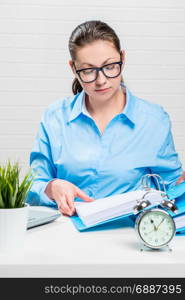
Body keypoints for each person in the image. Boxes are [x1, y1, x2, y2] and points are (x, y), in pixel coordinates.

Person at [26, 20, 185, 216]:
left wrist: (180, 185)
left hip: (129, 235)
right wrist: (51, 187)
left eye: (110, 66)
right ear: (73, 69)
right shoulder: (54, 117)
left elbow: (172, 188)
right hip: (66, 234)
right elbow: (32, 187)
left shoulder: (153, 120)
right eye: (88, 70)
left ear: (122, 58)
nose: (101, 80)